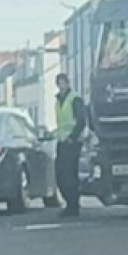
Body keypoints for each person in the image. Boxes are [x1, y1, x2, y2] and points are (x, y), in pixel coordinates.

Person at [54, 73, 87, 217]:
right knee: (60, 174)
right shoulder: (58, 101)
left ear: (67, 83)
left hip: (72, 143)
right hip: (62, 141)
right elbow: (61, 124)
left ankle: (73, 206)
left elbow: (81, 121)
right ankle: (70, 203)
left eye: (63, 82)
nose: (61, 85)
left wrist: (72, 138)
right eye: (59, 83)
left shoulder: (75, 99)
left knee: (69, 175)